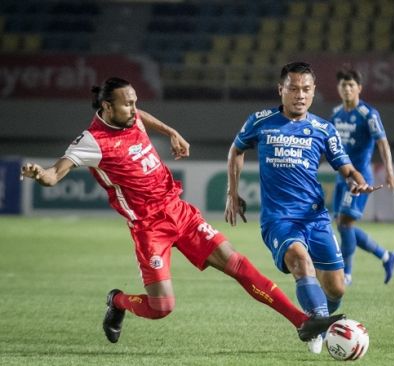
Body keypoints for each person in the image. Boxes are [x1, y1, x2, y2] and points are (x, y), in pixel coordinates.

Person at [20, 77, 342, 349]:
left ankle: (303, 322)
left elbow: (142, 116)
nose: (134, 109)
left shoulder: (130, 116)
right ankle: (117, 301)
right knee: (162, 307)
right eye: (127, 104)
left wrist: (170, 131)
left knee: (238, 265)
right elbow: (55, 174)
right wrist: (41, 173)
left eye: (135, 101)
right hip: (148, 228)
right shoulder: (93, 141)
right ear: (105, 108)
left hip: (178, 211)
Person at [225, 62, 379, 353]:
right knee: (300, 262)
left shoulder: (323, 129)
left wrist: (357, 181)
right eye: (293, 88)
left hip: (315, 218)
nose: (300, 95)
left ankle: (319, 318)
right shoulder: (260, 121)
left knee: (336, 288)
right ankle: (319, 323)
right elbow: (237, 150)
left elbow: (346, 168)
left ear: (314, 92)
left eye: (306, 89)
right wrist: (232, 193)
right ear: (280, 89)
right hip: (279, 219)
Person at [330, 67, 394, 286]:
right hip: (342, 179)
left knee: (346, 223)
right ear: (338, 89)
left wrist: (389, 171)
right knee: (342, 224)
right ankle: (386, 256)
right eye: (343, 85)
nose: (347, 89)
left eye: (351, 85)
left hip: (359, 179)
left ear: (359, 88)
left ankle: (347, 274)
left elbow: (382, 142)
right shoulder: (336, 114)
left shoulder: (368, 114)